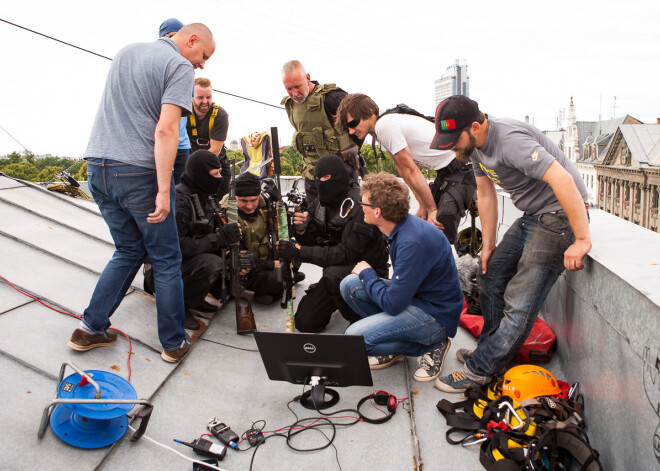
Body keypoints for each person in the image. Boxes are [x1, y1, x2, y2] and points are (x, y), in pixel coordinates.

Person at [67, 23, 216, 363]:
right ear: (190, 40)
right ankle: (173, 343)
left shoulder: (126, 51)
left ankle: (89, 329)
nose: (202, 64)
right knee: (165, 259)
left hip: (97, 169)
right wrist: (164, 190)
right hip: (137, 173)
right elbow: (165, 131)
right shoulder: (178, 65)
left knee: (128, 249)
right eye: (204, 55)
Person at [430, 95, 591, 393]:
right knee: (490, 273)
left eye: (454, 140)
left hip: (559, 216)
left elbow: (564, 180)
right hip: (534, 214)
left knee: (520, 301)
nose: (452, 146)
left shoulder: (510, 141)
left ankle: (482, 369)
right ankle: (492, 351)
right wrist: (488, 245)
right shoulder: (476, 148)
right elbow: (486, 193)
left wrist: (581, 239)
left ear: (475, 127)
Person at [340, 172, 463, 380]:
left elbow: (393, 304)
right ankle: (394, 341)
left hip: (435, 315)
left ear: (377, 211)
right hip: (416, 297)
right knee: (350, 285)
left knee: (354, 340)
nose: (360, 205)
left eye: (364, 202)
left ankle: (432, 344)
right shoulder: (395, 226)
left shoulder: (411, 242)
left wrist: (369, 274)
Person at [335, 93, 476, 245]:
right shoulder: (379, 129)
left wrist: (432, 209)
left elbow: (411, 170)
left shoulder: (385, 125)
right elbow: (402, 169)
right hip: (446, 172)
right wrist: (423, 205)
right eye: (347, 128)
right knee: (426, 224)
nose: (351, 131)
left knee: (440, 223)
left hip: (463, 167)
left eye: (353, 124)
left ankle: (455, 262)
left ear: (369, 112)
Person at [276, 154, 388, 333]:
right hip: (335, 275)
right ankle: (339, 298)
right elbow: (315, 242)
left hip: (369, 274)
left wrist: (300, 252)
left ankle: (361, 320)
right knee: (305, 322)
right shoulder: (318, 205)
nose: (322, 183)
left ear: (340, 178)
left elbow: (345, 254)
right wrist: (301, 231)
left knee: (332, 274)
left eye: (327, 178)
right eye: (318, 179)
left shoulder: (361, 206)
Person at [175, 150, 241, 329]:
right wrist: (219, 238)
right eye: (215, 174)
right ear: (200, 175)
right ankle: (178, 307)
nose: (220, 178)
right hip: (166, 270)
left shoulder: (205, 194)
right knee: (212, 264)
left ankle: (193, 299)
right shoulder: (179, 202)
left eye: (220, 172)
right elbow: (177, 247)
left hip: (189, 262)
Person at [281, 60, 362, 207]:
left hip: (340, 176)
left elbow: (361, 123)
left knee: (345, 218)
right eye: (289, 88)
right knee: (315, 219)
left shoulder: (332, 98)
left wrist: (352, 152)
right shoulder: (290, 105)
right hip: (313, 176)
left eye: (298, 86)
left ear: (307, 78)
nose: (294, 93)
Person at [221, 172, 304, 304]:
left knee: (297, 251)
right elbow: (241, 257)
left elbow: (284, 231)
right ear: (235, 197)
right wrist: (274, 265)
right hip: (249, 269)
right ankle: (287, 279)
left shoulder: (265, 203)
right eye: (243, 201)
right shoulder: (228, 214)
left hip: (267, 257)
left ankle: (284, 279)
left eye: (253, 200)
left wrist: (279, 202)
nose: (249, 206)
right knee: (275, 281)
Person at [158, 18, 192, 184]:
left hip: (181, 146)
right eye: (171, 36)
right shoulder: (157, 66)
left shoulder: (185, 69)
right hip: (160, 144)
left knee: (180, 194)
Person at [187, 77, 231, 196]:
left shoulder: (220, 115)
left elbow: (215, 150)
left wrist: (198, 170)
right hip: (190, 165)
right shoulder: (184, 113)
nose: (205, 101)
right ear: (192, 97)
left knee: (220, 202)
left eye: (208, 97)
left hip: (216, 165)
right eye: (200, 97)